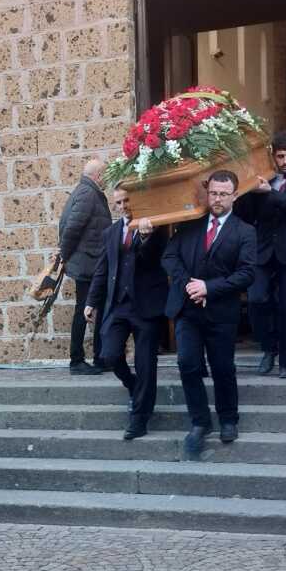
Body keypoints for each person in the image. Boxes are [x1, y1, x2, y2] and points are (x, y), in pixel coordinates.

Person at [162, 170, 256, 459]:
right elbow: (169, 257)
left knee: (222, 367)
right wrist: (189, 285)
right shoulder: (190, 224)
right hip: (187, 310)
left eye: (223, 194)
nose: (217, 199)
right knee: (187, 363)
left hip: (221, 312)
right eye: (213, 193)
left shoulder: (245, 231)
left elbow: (247, 273)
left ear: (235, 196)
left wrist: (209, 288)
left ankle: (228, 419)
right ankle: (200, 421)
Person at [85, 188, 169, 440]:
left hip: (147, 306)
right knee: (109, 354)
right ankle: (132, 385)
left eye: (127, 200)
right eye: (119, 202)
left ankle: (140, 418)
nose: (123, 206)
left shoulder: (157, 227)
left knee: (145, 364)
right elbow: (103, 269)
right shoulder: (111, 232)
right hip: (118, 305)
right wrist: (91, 302)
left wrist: (145, 236)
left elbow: (152, 257)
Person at [236, 130, 286, 379]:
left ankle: (285, 362)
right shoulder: (264, 177)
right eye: (280, 156)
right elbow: (247, 214)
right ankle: (268, 349)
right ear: (273, 156)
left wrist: (269, 193)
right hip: (263, 250)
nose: (285, 161)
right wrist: (248, 190)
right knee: (256, 299)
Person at [58, 158, 112, 375]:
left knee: (96, 307)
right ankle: (77, 361)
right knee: (83, 310)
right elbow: (71, 227)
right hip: (87, 263)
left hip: (91, 262)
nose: (107, 179)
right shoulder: (88, 193)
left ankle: (100, 357)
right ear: (98, 175)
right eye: (105, 175)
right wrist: (64, 256)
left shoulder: (86, 191)